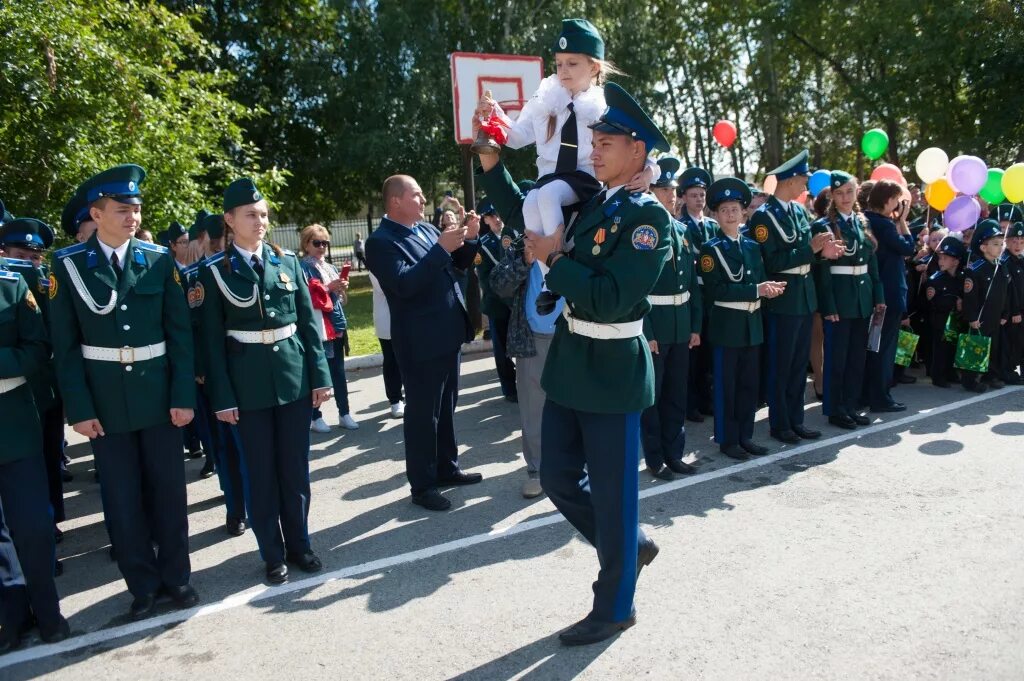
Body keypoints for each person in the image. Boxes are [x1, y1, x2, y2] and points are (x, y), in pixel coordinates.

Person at [523, 82, 670, 646]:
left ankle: (615, 606)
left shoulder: (645, 221)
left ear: (638, 152)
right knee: (559, 476)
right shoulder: (598, 204)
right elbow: (527, 193)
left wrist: (556, 258)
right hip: (573, 360)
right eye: (595, 140)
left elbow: (609, 297)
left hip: (611, 366)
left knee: (613, 494)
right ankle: (629, 546)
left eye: (606, 142)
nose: (594, 150)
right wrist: (490, 159)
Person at [49, 164, 198, 620]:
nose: (133, 216)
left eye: (136, 208)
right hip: (106, 405)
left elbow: (180, 337)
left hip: (158, 399)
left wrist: (183, 396)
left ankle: (177, 579)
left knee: (169, 493)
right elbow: (65, 347)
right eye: (122, 209)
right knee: (121, 499)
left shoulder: (156, 259)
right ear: (96, 213)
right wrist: (79, 407)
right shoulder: (68, 266)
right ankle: (143, 587)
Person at [199, 178, 332, 584]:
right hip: (247, 388)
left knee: (295, 471)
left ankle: (300, 545)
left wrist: (320, 377)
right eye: (251, 215)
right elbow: (210, 344)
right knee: (260, 474)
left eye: (263, 214)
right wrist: (221, 397)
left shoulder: (287, 262)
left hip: (292, 380)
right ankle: (272, 553)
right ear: (229, 219)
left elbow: (309, 327)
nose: (260, 221)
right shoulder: (213, 273)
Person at [366, 175, 483, 511]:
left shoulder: (426, 231)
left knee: (446, 407)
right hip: (419, 342)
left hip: (447, 335)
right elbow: (404, 285)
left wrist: (469, 240)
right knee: (422, 415)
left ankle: (447, 468)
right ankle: (423, 485)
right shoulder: (381, 241)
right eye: (416, 195)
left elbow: (456, 264)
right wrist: (440, 249)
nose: (422, 200)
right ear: (395, 202)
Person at [479, 19, 654, 242]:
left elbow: (636, 146)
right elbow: (517, 137)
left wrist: (650, 173)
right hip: (548, 178)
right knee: (531, 202)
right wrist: (495, 117)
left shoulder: (605, 106)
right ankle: (546, 272)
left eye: (572, 63)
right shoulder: (544, 99)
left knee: (548, 195)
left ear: (594, 67)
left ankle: (555, 253)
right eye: (559, 64)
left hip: (585, 180)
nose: (563, 71)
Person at [477, 168, 562, 499]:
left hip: (571, 338)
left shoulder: (569, 239)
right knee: (533, 410)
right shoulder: (519, 245)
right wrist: (525, 260)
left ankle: (570, 465)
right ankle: (538, 470)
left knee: (572, 406)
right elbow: (498, 284)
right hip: (532, 342)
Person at [0, 256, 71, 651]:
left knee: (32, 526)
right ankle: (11, 617)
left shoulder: (11, 287)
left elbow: (36, 349)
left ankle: (47, 610)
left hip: (11, 423)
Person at [749, 149, 842, 444]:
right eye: (803, 179)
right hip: (783, 299)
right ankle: (780, 424)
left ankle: (795, 420)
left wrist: (822, 254)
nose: (806, 185)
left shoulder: (799, 212)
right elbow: (771, 262)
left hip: (803, 296)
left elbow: (806, 256)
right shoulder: (764, 217)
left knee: (800, 365)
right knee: (782, 365)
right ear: (789, 180)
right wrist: (811, 250)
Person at [701, 178, 785, 460]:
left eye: (735, 209)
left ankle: (745, 436)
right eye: (724, 210)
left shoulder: (751, 246)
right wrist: (756, 290)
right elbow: (716, 291)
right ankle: (728, 439)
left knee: (749, 386)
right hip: (728, 327)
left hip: (751, 326)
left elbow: (759, 282)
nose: (730, 214)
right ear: (715, 214)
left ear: (744, 213)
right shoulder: (711, 250)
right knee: (728, 386)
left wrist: (767, 290)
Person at [0, 217, 68, 546]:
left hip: (44, 386)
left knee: (47, 458)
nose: (28, 262)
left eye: (34, 257)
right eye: (20, 255)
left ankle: (50, 519)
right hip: (14, 394)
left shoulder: (43, 284)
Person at [184, 212, 247, 531]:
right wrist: (200, 371)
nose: (224, 246)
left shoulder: (240, 267)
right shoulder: (196, 277)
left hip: (247, 371)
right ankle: (235, 508)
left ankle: (254, 501)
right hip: (212, 376)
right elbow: (191, 330)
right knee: (225, 446)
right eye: (219, 241)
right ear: (203, 241)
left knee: (251, 447)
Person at [640, 156, 702, 480]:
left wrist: (695, 325)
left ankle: (674, 453)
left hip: (680, 324)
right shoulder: (645, 232)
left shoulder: (682, 230)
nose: (671, 196)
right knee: (655, 397)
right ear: (651, 191)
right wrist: (646, 330)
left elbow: (692, 284)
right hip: (657, 326)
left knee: (677, 393)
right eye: (664, 189)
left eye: (673, 190)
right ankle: (655, 458)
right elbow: (638, 287)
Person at [813, 171, 885, 429]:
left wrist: (878, 296)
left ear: (856, 193)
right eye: (839, 193)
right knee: (837, 358)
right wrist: (828, 306)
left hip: (862, 299)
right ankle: (835, 408)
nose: (845, 197)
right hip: (839, 302)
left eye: (849, 192)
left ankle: (851, 405)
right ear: (832, 196)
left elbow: (872, 263)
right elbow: (821, 272)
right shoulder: (824, 226)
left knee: (857, 357)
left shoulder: (861, 222)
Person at [862, 179, 916, 411]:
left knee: (872, 346)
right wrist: (902, 221)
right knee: (884, 348)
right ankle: (880, 397)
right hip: (889, 293)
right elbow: (908, 247)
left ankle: (867, 394)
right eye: (895, 199)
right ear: (886, 200)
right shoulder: (883, 224)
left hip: (874, 292)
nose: (897, 204)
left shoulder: (866, 220)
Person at [300, 223, 358, 431]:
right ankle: (316, 417)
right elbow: (307, 298)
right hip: (319, 328)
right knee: (318, 374)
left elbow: (338, 300)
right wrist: (329, 287)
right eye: (317, 242)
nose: (322, 246)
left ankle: (344, 413)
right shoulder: (302, 267)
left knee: (339, 373)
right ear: (306, 244)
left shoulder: (329, 266)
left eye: (325, 243)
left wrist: (341, 288)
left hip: (336, 325)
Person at [677, 166, 717, 422]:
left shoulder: (713, 226)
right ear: (683, 197)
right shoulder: (680, 226)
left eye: (702, 194)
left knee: (709, 352)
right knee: (692, 352)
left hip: (712, 294)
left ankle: (705, 399)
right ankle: (689, 403)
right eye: (693, 195)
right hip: (693, 294)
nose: (699, 199)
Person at [473, 200, 518, 403]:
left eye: (498, 214)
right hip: (498, 303)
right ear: (485, 219)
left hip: (518, 301)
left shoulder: (515, 235)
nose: (497, 219)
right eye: (491, 216)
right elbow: (485, 278)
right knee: (502, 349)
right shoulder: (483, 244)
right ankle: (509, 388)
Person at [961, 220, 1010, 392]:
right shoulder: (975, 270)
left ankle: (991, 375)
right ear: (983, 248)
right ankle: (970, 380)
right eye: (995, 244)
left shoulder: (1001, 266)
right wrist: (972, 317)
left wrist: (1005, 313)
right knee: (975, 346)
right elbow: (970, 297)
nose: (1000, 247)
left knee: (993, 346)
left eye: (1001, 244)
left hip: (995, 316)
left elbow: (1004, 293)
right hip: (980, 318)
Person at [924, 236, 966, 387]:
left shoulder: (962, 278)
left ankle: (951, 372)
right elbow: (933, 302)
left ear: (956, 261)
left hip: (956, 320)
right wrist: (954, 302)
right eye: (940, 257)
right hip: (940, 320)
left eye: (946, 258)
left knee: (953, 347)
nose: (941, 261)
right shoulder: (935, 280)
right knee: (940, 349)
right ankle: (938, 376)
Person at [369, 272, 405, 417]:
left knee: (411, 359)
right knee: (392, 360)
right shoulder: (376, 262)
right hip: (387, 319)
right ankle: (395, 400)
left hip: (409, 318)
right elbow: (390, 288)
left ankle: (413, 394)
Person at [1000, 222, 1024, 384]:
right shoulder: (1005, 262)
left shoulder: (1020, 260)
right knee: (1011, 344)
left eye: (1022, 242)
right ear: (1006, 241)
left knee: (1020, 343)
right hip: (1013, 312)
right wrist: (1014, 311)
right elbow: (1009, 292)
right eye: (1014, 241)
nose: (1018, 245)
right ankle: (1007, 372)